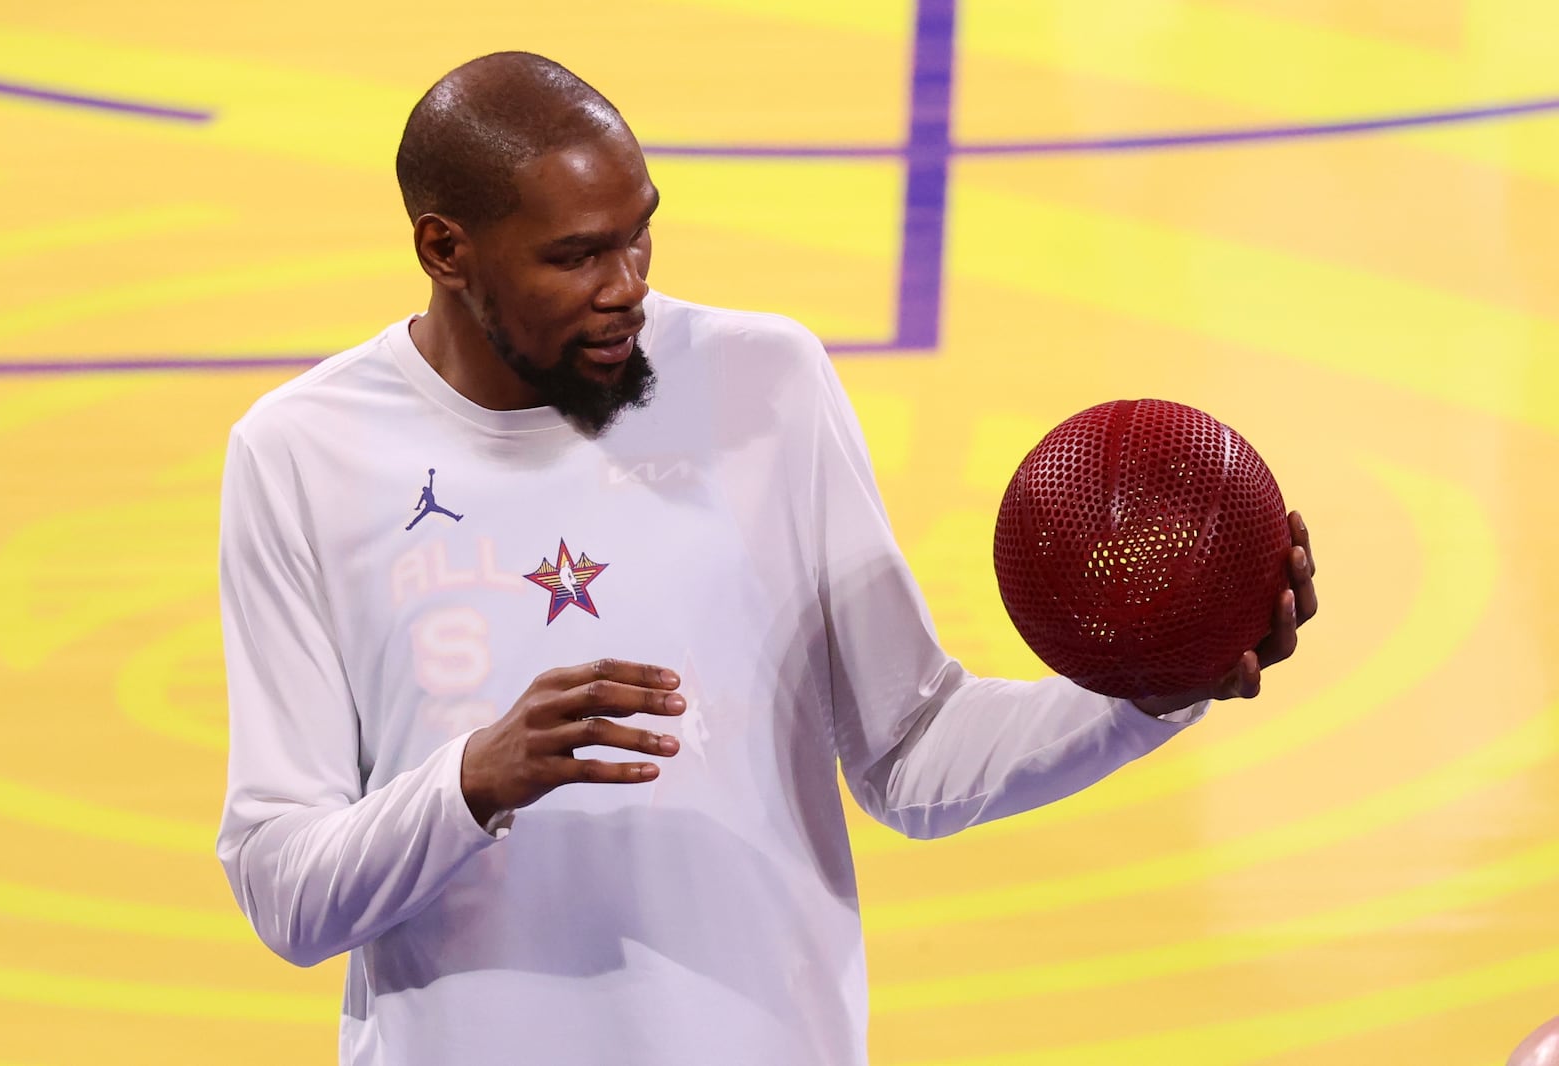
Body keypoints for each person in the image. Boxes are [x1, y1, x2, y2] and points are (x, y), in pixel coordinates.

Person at [216, 51, 1318, 1066]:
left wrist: (1148, 692)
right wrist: (468, 780)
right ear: (444, 249)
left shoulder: (764, 383)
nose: (626, 283)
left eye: (638, 232)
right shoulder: (302, 454)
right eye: (576, 256)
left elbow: (915, 752)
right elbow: (286, 890)